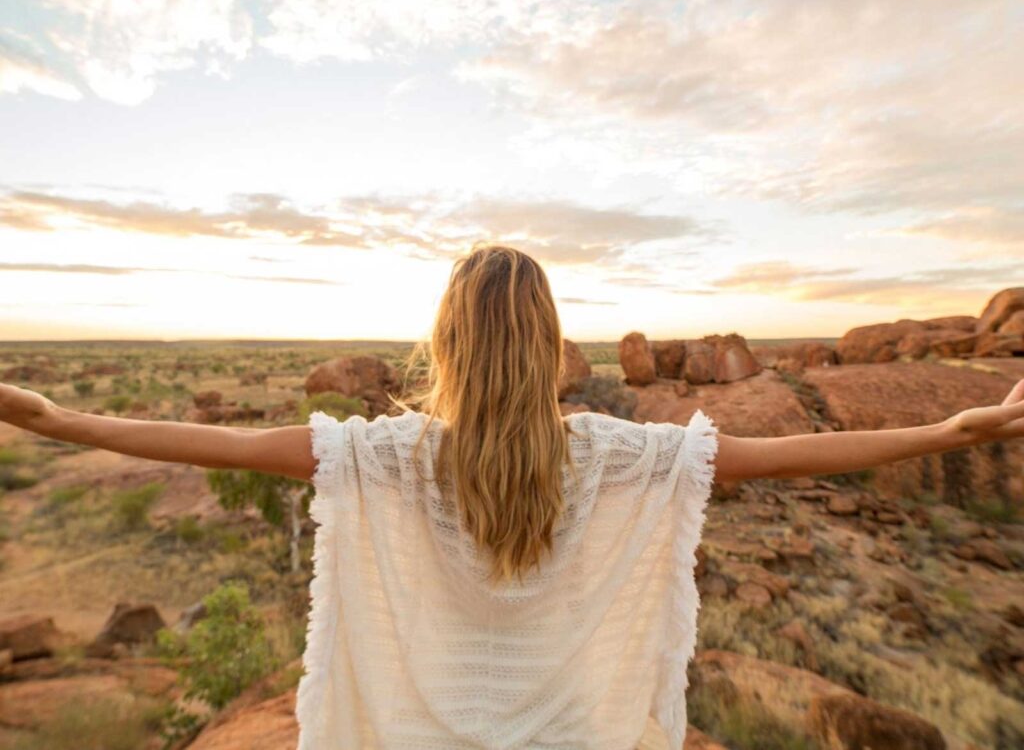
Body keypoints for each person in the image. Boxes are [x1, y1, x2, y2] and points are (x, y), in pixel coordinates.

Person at [1, 243, 1021, 750]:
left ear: (444, 343)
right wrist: (945, 427)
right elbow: (782, 453)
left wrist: (58, 420)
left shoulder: (387, 456)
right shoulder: (616, 456)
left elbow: (217, 442)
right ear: (548, 344)